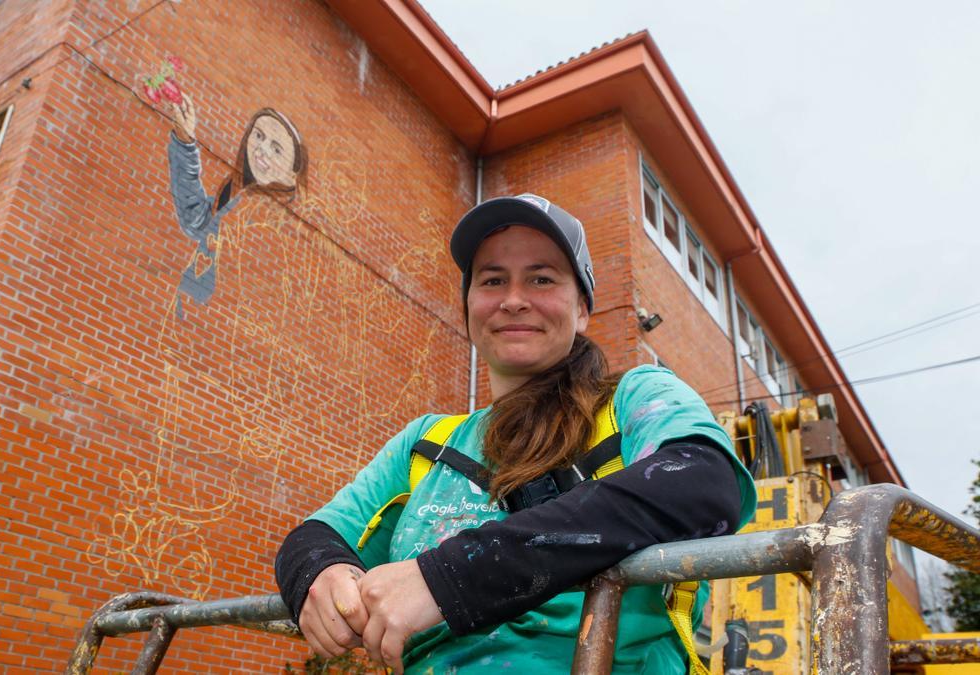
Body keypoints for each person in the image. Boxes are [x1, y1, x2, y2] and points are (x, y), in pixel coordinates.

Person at [274, 194, 757, 674]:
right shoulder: (429, 442)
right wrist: (322, 572)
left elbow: (702, 482)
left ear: (583, 308)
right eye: (492, 280)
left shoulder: (634, 399)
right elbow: (317, 535)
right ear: (468, 308)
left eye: (541, 278)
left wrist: (448, 580)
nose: (513, 299)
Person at [167, 95, 306, 311]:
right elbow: (197, 221)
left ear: (292, 175)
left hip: (211, 326)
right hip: (191, 318)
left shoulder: (273, 222)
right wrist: (185, 142)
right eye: (258, 136)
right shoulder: (235, 195)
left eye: (277, 149)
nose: (262, 150)